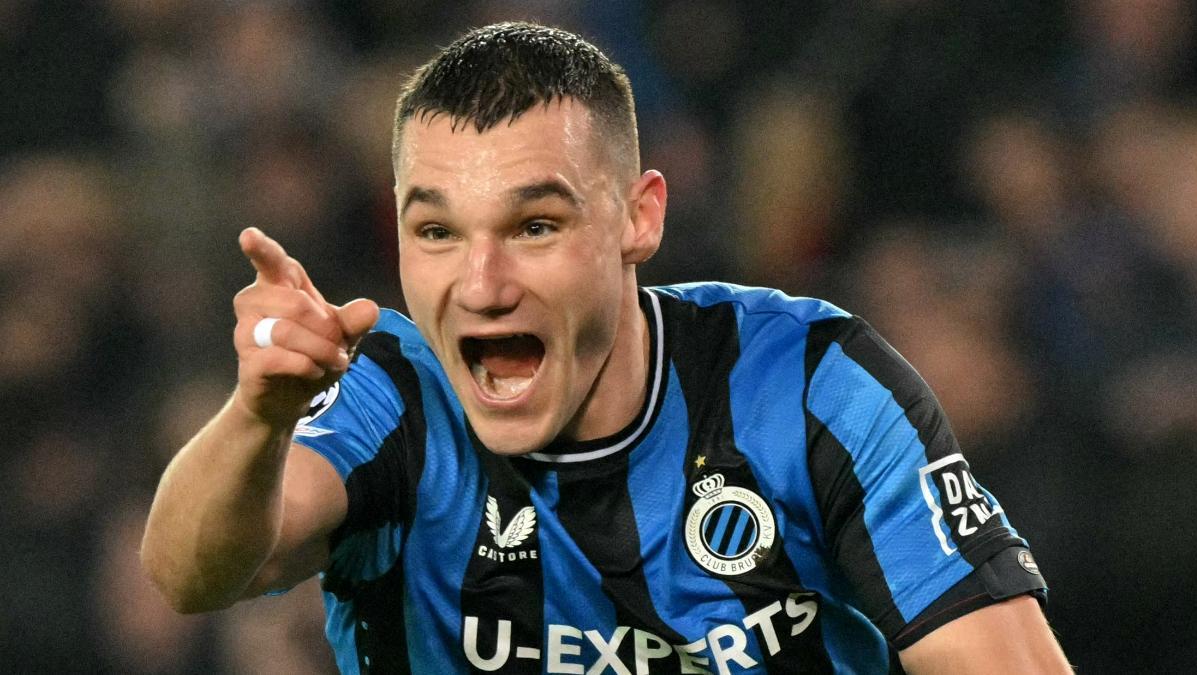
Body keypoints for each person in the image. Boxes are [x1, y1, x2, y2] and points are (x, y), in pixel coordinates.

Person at [142, 22, 1072, 674]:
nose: (482, 283)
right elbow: (188, 574)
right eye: (437, 232)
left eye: (535, 226)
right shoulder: (391, 396)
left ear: (639, 217)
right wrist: (256, 415)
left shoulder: (806, 385)